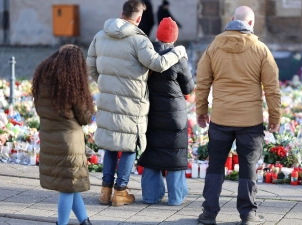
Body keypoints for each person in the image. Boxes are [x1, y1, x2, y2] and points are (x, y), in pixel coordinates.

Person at [87, 0, 188, 207]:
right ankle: (120, 191)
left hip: (108, 98)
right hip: (131, 102)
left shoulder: (100, 35)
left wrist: (107, 84)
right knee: (129, 145)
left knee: (111, 144)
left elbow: (91, 67)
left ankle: (105, 192)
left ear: (121, 12)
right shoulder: (138, 40)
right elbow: (158, 64)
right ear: (139, 19)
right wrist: (178, 52)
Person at [195, 6, 281, 225]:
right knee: (248, 167)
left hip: (221, 118)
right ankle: (248, 214)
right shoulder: (261, 49)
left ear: (232, 20)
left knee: (215, 166)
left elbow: (202, 82)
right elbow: (272, 87)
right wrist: (275, 117)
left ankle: (209, 213)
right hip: (250, 121)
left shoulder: (214, 47)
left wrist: (202, 111)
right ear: (251, 24)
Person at [32, 44, 95, 225]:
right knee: (68, 188)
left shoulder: (43, 79)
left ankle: (84, 221)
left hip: (50, 139)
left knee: (70, 185)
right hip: (69, 144)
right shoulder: (71, 83)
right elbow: (84, 117)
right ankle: (62, 223)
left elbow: (40, 109)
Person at [138, 17, 195, 206]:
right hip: (174, 115)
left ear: (158, 35)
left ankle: (150, 195)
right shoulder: (178, 57)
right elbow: (188, 88)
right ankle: (176, 197)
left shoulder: (146, 54)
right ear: (174, 38)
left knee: (151, 153)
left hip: (150, 112)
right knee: (175, 154)